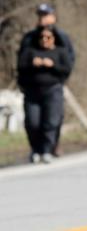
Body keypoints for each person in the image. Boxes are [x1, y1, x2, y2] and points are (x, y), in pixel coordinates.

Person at [17, 25, 71, 164]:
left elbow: (66, 70)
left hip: (53, 90)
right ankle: (36, 150)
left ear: (54, 38)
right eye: (42, 37)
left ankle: (47, 150)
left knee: (51, 122)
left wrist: (52, 65)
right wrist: (32, 63)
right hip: (32, 92)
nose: (44, 39)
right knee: (32, 122)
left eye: (48, 37)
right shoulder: (30, 52)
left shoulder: (60, 52)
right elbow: (19, 68)